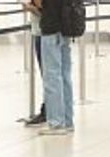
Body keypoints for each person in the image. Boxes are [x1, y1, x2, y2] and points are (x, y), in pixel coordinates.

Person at [31, 0, 75, 135]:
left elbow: (40, 4)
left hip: (51, 28)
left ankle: (56, 122)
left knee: (52, 76)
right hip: (66, 27)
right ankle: (67, 121)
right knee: (65, 75)